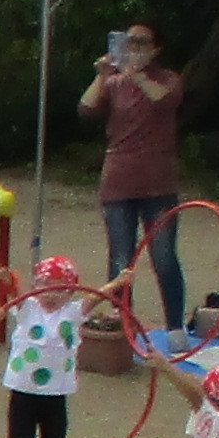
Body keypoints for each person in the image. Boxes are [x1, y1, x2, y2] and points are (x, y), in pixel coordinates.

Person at [83, 21, 191, 328]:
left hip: (159, 185)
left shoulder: (168, 79)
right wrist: (101, 76)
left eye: (142, 42)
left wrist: (137, 76)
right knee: (120, 260)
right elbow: (86, 109)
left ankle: (174, 327)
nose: (134, 48)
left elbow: (166, 100)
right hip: (118, 183)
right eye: (129, 42)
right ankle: (122, 326)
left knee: (164, 257)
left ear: (156, 49)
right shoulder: (115, 82)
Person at [0, 254, 94, 438]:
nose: (50, 295)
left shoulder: (73, 312)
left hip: (56, 394)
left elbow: (96, 299)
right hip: (23, 392)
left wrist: (120, 282)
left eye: (59, 289)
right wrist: (5, 278)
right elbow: (11, 289)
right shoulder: (27, 307)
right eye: (45, 286)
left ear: (71, 290)